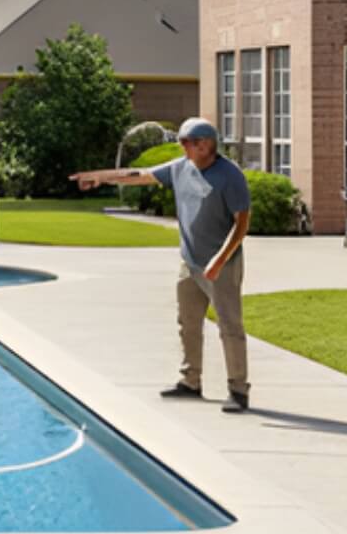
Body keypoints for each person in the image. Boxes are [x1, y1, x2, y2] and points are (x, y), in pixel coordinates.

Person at [71, 117, 254, 413]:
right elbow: (140, 175)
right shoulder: (180, 168)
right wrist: (100, 177)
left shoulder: (229, 176)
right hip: (190, 262)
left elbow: (242, 224)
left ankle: (238, 390)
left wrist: (219, 260)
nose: (182, 147)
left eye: (187, 143)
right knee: (188, 323)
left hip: (223, 264)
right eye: (181, 142)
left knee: (229, 326)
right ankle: (190, 381)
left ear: (206, 145)